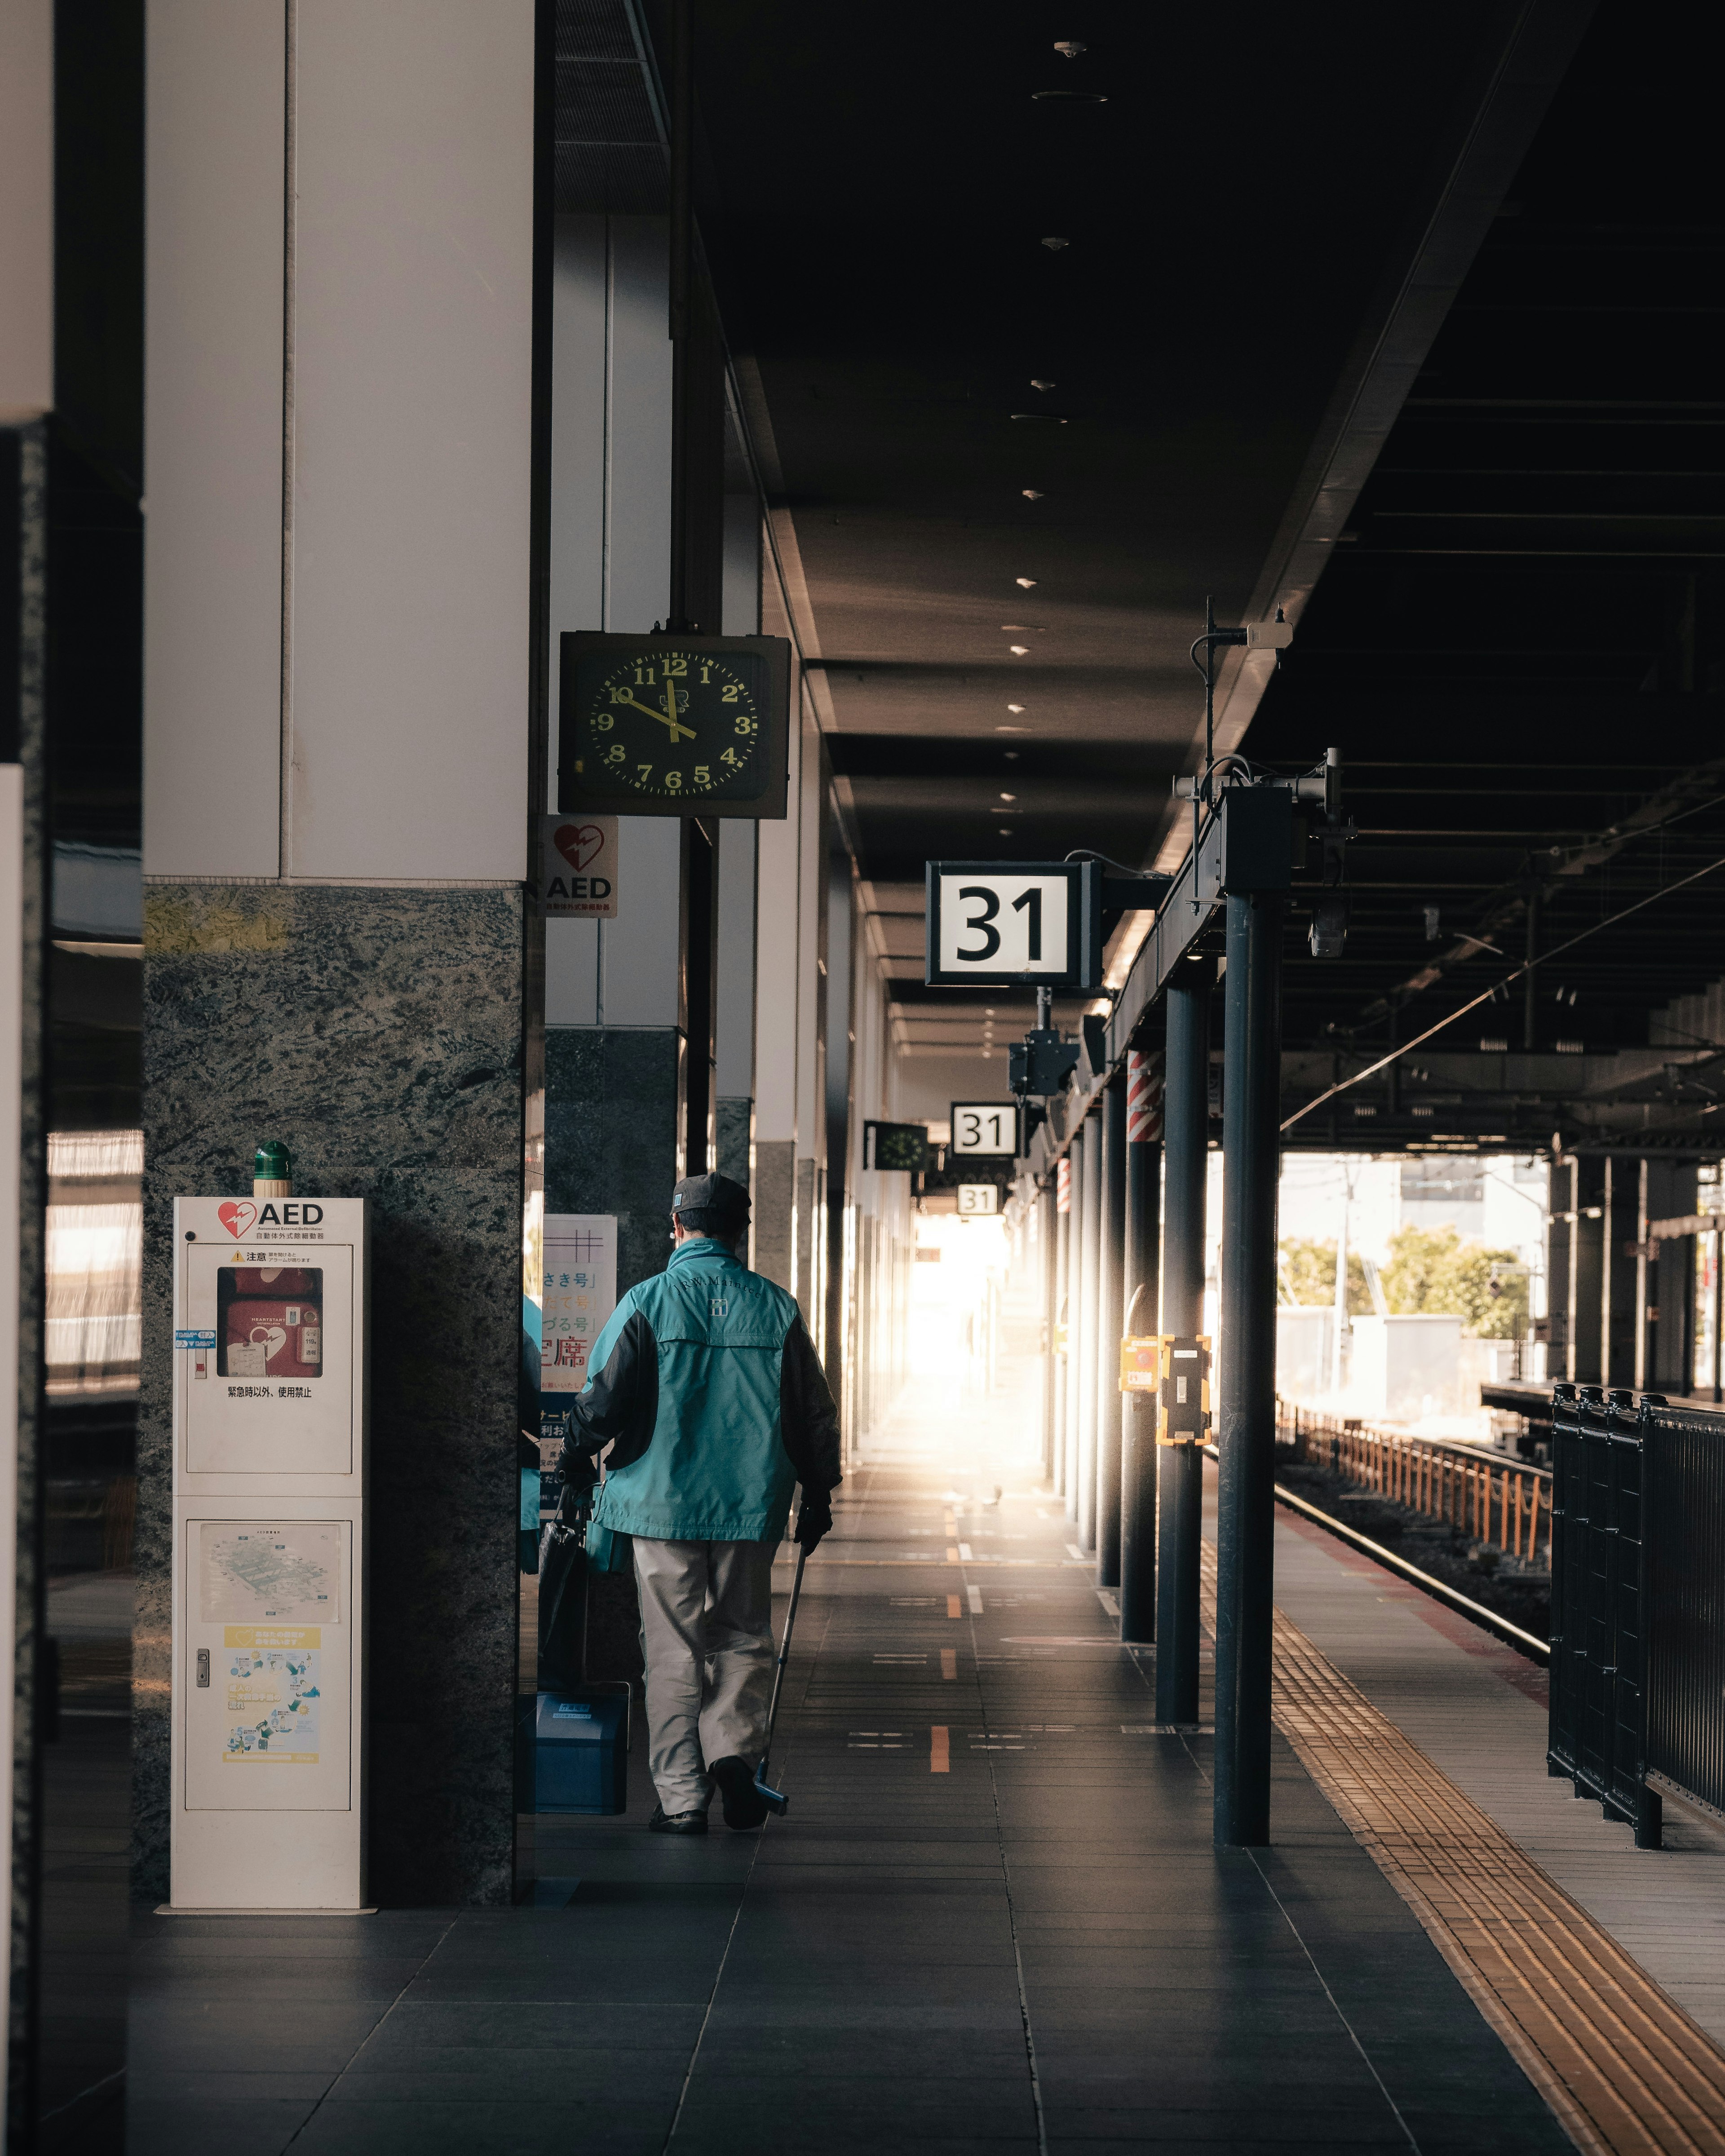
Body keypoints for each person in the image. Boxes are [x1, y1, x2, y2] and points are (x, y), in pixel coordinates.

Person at [560, 1171, 840, 1833]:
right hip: (750, 1504)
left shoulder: (648, 1301)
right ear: (741, 1232)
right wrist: (819, 1492)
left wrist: (574, 1460)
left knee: (670, 1649)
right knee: (743, 1634)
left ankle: (683, 1796)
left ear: (677, 1227)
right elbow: (812, 1413)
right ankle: (734, 1755)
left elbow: (601, 1402)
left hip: (660, 1505)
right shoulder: (778, 1309)